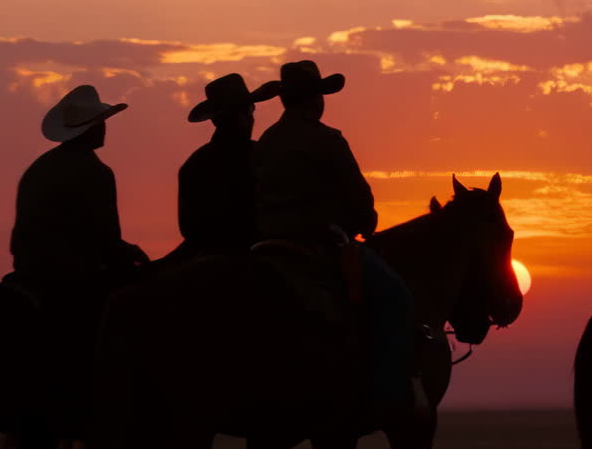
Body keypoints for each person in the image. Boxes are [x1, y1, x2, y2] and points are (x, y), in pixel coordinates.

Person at [254, 60, 418, 421]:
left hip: (265, 247)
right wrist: (366, 222)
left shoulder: (265, 141)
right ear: (317, 99)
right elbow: (359, 199)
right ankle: (390, 398)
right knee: (395, 296)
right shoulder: (327, 139)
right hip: (318, 246)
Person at [9, 84, 148, 293]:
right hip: (72, 278)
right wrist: (134, 254)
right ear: (90, 129)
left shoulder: (40, 166)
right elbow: (106, 239)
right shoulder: (96, 172)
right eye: (99, 123)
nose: (103, 128)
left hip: (29, 269)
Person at [164, 73, 280, 262]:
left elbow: (189, 229)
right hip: (255, 255)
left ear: (214, 120)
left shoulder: (195, 163)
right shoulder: (264, 155)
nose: (252, 118)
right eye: (250, 110)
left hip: (205, 255)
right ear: (244, 114)